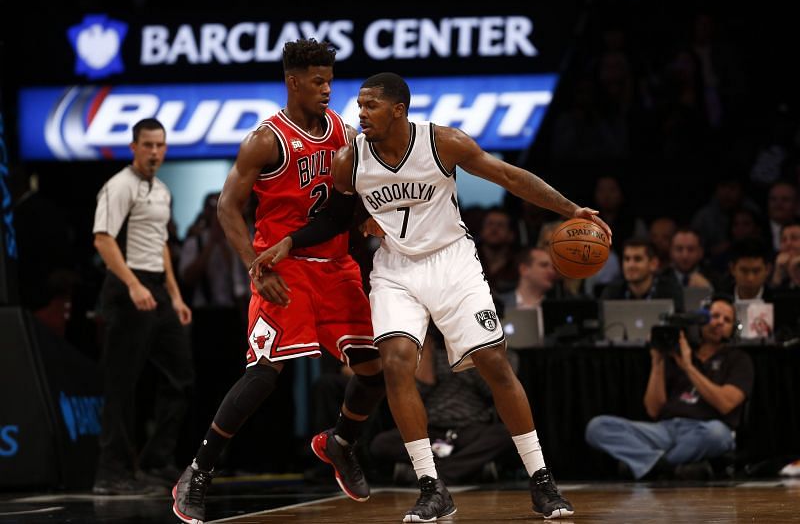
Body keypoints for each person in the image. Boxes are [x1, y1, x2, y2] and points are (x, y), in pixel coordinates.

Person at [253, 72, 612, 521]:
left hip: (453, 262)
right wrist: (292, 242)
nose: (360, 114)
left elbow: (509, 177)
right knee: (397, 364)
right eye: (359, 106)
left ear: (398, 109)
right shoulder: (351, 158)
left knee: (494, 363)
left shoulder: (444, 143)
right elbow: (335, 218)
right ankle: (431, 486)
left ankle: (541, 480)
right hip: (396, 269)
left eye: (370, 106)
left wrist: (570, 209)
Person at [172, 40, 385, 524]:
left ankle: (339, 443)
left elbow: (351, 196)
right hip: (283, 267)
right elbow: (228, 207)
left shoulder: (343, 133)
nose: (328, 89)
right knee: (265, 374)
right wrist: (256, 265)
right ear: (293, 82)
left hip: (335, 266)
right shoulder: (265, 140)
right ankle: (197, 472)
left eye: (330, 80)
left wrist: (368, 217)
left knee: (374, 371)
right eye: (317, 81)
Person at [92, 118, 195, 494]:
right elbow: (103, 240)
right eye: (147, 145)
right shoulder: (119, 186)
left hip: (156, 287)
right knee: (121, 382)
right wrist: (132, 284)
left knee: (180, 376)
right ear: (133, 147)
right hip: (126, 285)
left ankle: (155, 461)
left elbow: (161, 244)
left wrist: (175, 295)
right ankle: (111, 472)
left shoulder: (162, 191)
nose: (154, 152)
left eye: (160, 145)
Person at [585, 295, 754, 480]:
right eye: (714, 316)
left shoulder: (738, 359)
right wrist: (657, 362)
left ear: (733, 329)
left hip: (703, 430)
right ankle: (668, 466)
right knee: (597, 427)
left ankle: (647, 463)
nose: (719, 323)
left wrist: (689, 368)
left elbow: (726, 403)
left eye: (726, 320)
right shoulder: (677, 353)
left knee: (718, 435)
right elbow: (653, 409)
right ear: (700, 321)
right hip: (665, 430)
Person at [369, 326, 517, 486]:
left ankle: (439, 474)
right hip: (433, 431)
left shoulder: (499, 356)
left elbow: (491, 391)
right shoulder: (434, 356)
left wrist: (472, 358)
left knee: (507, 434)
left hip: (471, 430)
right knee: (382, 443)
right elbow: (417, 392)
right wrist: (427, 352)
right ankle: (468, 468)